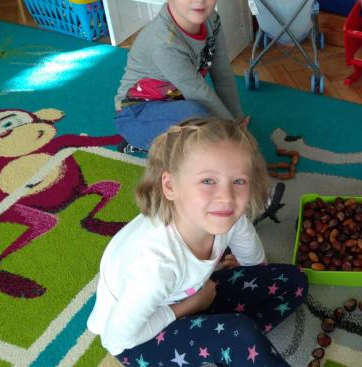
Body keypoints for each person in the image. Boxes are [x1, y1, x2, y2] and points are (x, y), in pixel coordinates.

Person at [87, 117, 307, 366]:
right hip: (139, 340)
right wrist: (188, 306)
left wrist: (252, 274)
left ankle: (228, 349)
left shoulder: (227, 217)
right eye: (207, 181)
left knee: (295, 281)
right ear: (170, 186)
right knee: (239, 332)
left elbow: (253, 257)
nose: (226, 197)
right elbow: (116, 339)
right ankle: (230, 346)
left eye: (238, 181)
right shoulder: (155, 265)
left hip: (195, 293)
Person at [114, 0, 245, 154]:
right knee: (202, 122)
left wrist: (237, 120)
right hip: (136, 113)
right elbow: (199, 93)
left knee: (207, 122)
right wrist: (231, 133)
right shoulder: (165, 44)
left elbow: (222, 72)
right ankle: (138, 141)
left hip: (176, 99)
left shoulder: (212, 20)